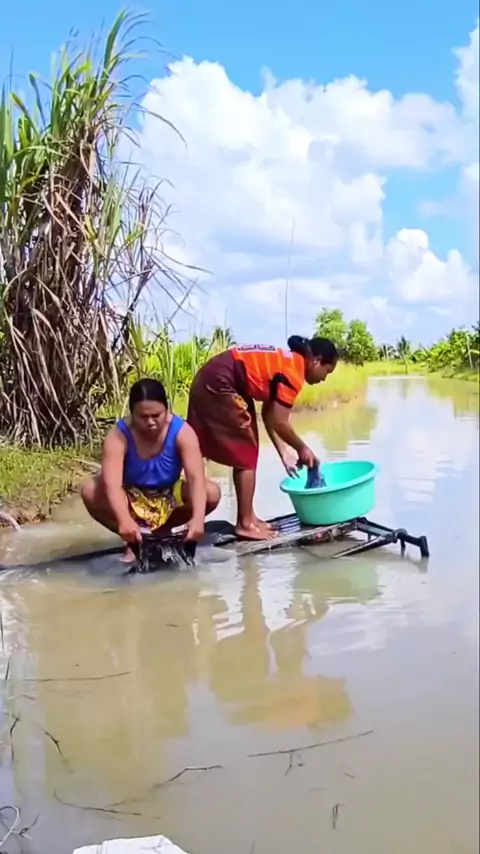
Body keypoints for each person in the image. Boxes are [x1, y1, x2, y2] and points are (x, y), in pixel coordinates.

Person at [187, 335, 338, 541]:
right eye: (327, 371)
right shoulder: (293, 372)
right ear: (317, 361)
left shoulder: (289, 362)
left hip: (220, 378)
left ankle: (249, 517)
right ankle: (245, 524)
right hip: (220, 381)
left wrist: (284, 452)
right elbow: (280, 421)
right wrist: (302, 448)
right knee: (246, 453)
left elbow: (270, 415)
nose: (324, 378)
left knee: (249, 449)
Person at [81, 377, 220, 560]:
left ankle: (162, 532)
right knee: (89, 489)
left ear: (166, 410)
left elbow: (196, 480)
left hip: (167, 494)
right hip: (130, 495)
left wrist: (198, 519)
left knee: (211, 492)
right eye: (143, 417)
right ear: (132, 413)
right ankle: (133, 537)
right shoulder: (118, 436)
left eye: (156, 415)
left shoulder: (183, 432)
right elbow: (112, 485)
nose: (151, 422)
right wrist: (124, 521)